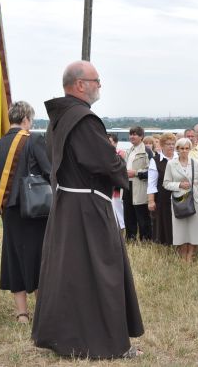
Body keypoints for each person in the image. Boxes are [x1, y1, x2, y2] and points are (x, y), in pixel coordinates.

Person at [32, 61, 144, 359]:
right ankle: (103, 343)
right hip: (88, 207)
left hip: (69, 204)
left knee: (70, 273)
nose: (99, 85)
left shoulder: (60, 117)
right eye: (96, 80)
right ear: (80, 84)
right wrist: (121, 167)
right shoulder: (83, 120)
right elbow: (105, 162)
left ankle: (66, 339)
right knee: (100, 271)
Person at [0, 101, 51, 323]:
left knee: (14, 257)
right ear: (25, 119)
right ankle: (42, 311)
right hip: (35, 210)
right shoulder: (33, 140)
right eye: (31, 120)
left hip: (10, 211)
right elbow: (49, 171)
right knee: (38, 257)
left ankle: (21, 313)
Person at [163, 137, 198, 262]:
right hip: (179, 200)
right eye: (181, 148)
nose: (184, 151)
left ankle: (190, 255)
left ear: (190, 149)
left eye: (187, 148)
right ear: (177, 149)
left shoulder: (196, 163)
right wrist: (179, 185)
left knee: (194, 229)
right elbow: (166, 183)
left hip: (195, 199)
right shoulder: (171, 164)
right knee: (180, 229)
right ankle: (183, 255)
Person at [124, 126, 153, 241]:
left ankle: (145, 239)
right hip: (127, 186)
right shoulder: (129, 151)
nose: (132, 136)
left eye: (135, 134)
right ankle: (130, 238)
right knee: (128, 215)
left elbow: (152, 171)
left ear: (141, 137)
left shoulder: (147, 151)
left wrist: (135, 173)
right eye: (130, 134)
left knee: (142, 216)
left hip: (140, 187)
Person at [147, 132, 176, 246]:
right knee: (163, 222)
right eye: (168, 144)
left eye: (173, 144)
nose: (171, 146)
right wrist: (151, 200)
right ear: (162, 145)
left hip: (179, 197)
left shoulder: (179, 158)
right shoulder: (155, 160)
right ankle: (164, 246)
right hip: (162, 196)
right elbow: (151, 183)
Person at [108, 134, 126, 231]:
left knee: (119, 210)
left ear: (115, 143)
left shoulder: (121, 153)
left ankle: (121, 228)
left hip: (117, 188)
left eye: (110, 142)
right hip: (108, 188)